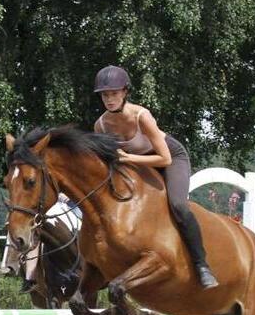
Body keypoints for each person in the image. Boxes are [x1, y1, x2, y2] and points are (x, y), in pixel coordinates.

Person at [93, 65, 218, 288]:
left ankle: (202, 265)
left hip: (169, 158)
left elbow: (164, 158)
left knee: (178, 205)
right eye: (105, 95)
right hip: (136, 164)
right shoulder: (100, 125)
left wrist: (128, 158)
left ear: (125, 92)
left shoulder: (141, 116)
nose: (109, 99)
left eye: (114, 93)